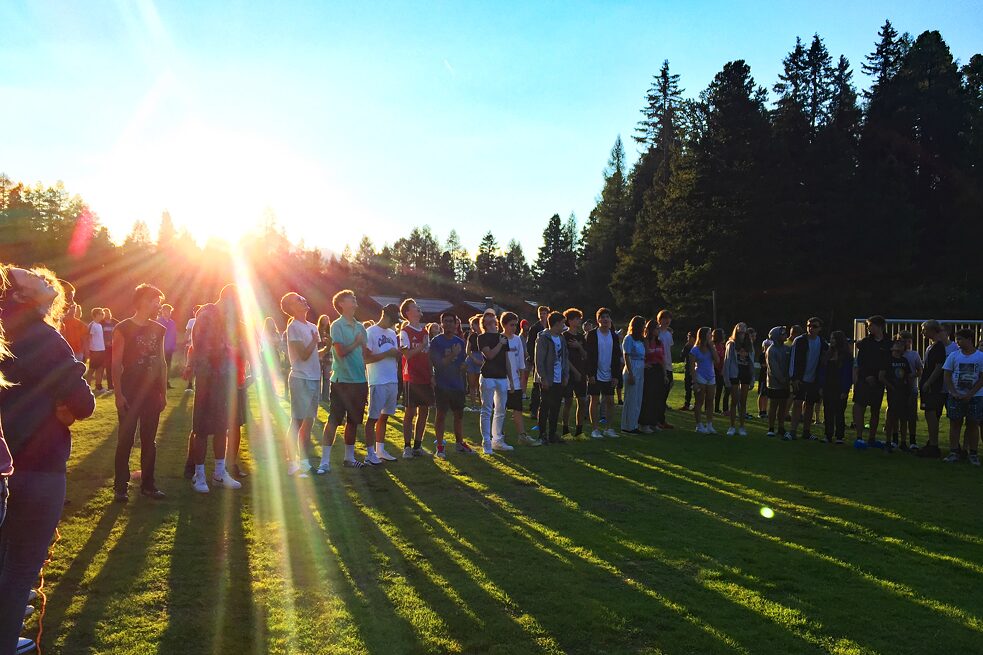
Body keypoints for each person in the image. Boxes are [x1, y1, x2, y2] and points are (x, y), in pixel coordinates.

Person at [0, 265, 95, 654]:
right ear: (22, 297)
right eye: (31, 278)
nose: (43, 277)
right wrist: (67, 407)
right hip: (38, 467)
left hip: (8, 461)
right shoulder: (46, 337)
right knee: (21, 569)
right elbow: (85, 403)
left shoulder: (7, 335)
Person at [111, 284, 169, 502]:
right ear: (143, 300)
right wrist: (118, 394)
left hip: (152, 394)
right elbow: (116, 364)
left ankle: (148, 485)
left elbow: (162, 363)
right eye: (156, 301)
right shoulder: (122, 328)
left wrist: (163, 392)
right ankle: (120, 487)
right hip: (129, 392)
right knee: (125, 440)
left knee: (149, 440)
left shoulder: (160, 329)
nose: (159, 305)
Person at [188, 285, 244, 493]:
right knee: (201, 429)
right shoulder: (206, 314)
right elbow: (200, 346)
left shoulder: (229, 320)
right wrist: (226, 350)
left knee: (222, 427)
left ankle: (219, 474)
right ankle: (198, 474)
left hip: (224, 379)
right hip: (207, 379)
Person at [321, 290, 370, 472]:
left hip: (359, 380)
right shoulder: (336, 325)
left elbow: (365, 352)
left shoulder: (360, 326)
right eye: (351, 298)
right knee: (334, 419)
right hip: (342, 381)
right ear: (341, 304)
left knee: (353, 421)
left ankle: (349, 459)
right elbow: (340, 352)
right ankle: (325, 461)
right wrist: (357, 343)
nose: (355, 300)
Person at [281, 292, 324, 476]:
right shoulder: (293, 327)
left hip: (314, 378)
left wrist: (326, 347)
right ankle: (292, 464)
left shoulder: (312, 326)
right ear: (291, 307)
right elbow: (304, 355)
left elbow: (315, 355)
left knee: (309, 422)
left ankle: (305, 463)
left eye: (302, 297)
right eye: (298, 299)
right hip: (300, 378)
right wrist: (315, 341)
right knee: (297, 421)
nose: (304, 300)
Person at [430, 312, 476, 458]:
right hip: (443, 384)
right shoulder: (437, 341)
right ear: (441, 323)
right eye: (446, 321)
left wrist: (463, 366)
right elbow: (439, 364)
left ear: (456, 324)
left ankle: (459, 443)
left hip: (457, 384)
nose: (449, 324)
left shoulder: (460, 342)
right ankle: (440, 445)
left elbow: (461, 362)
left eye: (452, 321)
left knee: (459, 415)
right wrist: (452, 354)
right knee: (441, 415)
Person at [364, 304, 401, 463]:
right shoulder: (370, 332)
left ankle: (380, 450)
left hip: (391, 379)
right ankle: (370, 452)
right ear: (384, 315)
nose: (393, 323)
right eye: (392, 319)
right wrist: (387, 353)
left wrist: (398, 354)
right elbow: (366, 359)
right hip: (377, 380)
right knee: (373, 418)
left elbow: (395, 355)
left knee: (384, 417)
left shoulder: (393, 333)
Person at [941, 328, 983, 465]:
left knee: (973, 424)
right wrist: (953, 392)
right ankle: (954, 452)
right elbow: (947, 374)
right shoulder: (954, 356)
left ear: (969, 339)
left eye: (960, 339)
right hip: (956, 396)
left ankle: (973, 453)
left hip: (975, 396)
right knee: (955, 423)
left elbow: (982, 378)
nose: (957, 342)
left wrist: (970, 394)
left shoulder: (980, 357)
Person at [398, 299, 433, 458]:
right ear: (407, 313)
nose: (418, 309)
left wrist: (432, 375)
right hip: (411, 377)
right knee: (410, 412)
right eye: (414, 307)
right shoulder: (405, 331)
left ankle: (418, 445)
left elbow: (429, 355)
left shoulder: (425, 331)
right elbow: (407, 355)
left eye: (418, 307)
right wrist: (421, 346)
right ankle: (407, 446)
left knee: (424, 411)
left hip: (425, 376)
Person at [477, 309, 514, 454]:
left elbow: (506, 360)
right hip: (488, 377)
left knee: (500, 410)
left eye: (493, 317)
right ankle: (486, 442)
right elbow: (490, 355)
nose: (491, 319)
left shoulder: (502, 337)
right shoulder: (482, 337)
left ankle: (497, 440)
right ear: (484, 322)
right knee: (487, 410)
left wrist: (511, 379)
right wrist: (500, 343)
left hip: (502, 377)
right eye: (487, 317)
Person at [853, 315, 891, 447]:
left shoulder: (888, 343)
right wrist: (866, 376)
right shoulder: (865, 342)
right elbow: (860, 361)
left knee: (875, 409)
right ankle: (859, 436)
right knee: (859, 406)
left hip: (879, 381)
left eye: (870, 325)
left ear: (879, 326)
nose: (868, 328)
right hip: (865, 379)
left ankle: (872, 438)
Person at [586, 308, 623, 439]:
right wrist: (590, 374)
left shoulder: (614, 335)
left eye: (607, 317)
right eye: (603, 317)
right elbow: (588, 356)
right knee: (594, 400)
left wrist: (616, 376)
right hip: (595, 373)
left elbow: (616, 356)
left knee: (610, 402)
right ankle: (595, 430)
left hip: (609, 374)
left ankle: (608, 428)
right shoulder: (591, 335)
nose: (605, 319)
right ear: (598, 320)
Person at [502, 312, 537, 446]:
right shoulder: (500, 339)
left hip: (515, 382)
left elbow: (521, 362)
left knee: (518, 409)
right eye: (511, 325)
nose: (514, 327)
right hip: (502, 382)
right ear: (504, 325)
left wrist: (522, 383)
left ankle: (522, 436)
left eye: (516, 325)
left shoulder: (517, 339)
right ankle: (499, 435)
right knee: (501, 411)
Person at [788, 318, 827, 441]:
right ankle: (792, 431)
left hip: (813, 379)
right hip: (800, 378)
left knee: (810, 405)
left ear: (820, 328)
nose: (811, 328)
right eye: (809, 325)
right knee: (797, 403)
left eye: (814, 326)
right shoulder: (799, 341)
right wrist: (793, 378)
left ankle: (806, 431)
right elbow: (792, 360)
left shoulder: (822, 342)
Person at [535, 311, 570, 444]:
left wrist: (565, 375)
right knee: (545, 407)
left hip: (558, 378)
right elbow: (539, 359)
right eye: (562, 323)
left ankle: (552, 433)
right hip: (547, 379)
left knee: (555, 407)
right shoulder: (544, 338)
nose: (564, 326)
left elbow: (565, 358)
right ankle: (542, 434)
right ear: (556, 324)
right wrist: (543, 378)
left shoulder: (561, 338)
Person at [918, 320, 947, 458]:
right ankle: (931, 443)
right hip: (927, 386)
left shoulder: (939, 347)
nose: (922, 332)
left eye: (924, 329)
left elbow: (939, 366)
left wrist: (929, 382)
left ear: (932, 330)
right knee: (928, 414)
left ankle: (934, 446)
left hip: (933, 388)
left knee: (931, 414)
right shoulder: (931, 346)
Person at [819, 330, 853, 444]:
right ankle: (828, 435)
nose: (832, 340)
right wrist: (821, 386)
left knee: (839, 412)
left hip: (839, 387)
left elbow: (847, 374)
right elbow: (822, 372)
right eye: (831, 338)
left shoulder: (846, 357)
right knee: (828, 411)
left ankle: (839, 436)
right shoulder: (827, 354)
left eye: (834, 338)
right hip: (828, 386)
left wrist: (845, 389)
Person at [723, 322, 754, 436]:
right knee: (734, 400)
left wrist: (752, 378)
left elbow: (751, 361)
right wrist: (726, 379)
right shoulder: (731, 344)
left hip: (745, 373)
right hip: (734, 373)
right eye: (739, 331)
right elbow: (727, 362)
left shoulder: (749, 344)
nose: (741, 333)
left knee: (743, 401)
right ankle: (732, 426)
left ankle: (742, 426)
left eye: (743, 331)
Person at [561, 308, 589, 437]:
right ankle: (565, 430)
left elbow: (585, 355)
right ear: (570, 321)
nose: (579, 321)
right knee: (568, 402)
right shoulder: (564, 336)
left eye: (579, 318)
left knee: (582, 401)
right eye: (577, 319)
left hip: (582, 373)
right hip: (569, 373)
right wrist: (574, 371)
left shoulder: (581, 337)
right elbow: (564, 357)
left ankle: (579, 430)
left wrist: (579, 346)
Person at [639, 319, 668, 433]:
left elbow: (663, 359)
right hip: (649, 371)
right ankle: (644, 423)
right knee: (648, 398)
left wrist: (665, 374)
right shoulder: (644, 341)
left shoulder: (660, 342)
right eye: (656, 328)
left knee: (657, 398)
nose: (658, 330)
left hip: (658, 370)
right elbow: (643, 355)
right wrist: (644, 364)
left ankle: (654, 422)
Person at [884, 340, 913, 451]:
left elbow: (908, 375)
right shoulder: (888, 360)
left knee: (904, 417)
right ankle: (888, 441)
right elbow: (882, 376)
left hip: (904, 391)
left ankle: (903, 442)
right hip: (893, 392)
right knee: (891, 417)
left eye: (901, 345)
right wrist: (890, 386)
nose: (899, 347)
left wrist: (909, 389)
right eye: (897, 344)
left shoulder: (904, 360)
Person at [690, 327, 718, 434]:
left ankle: (709, 425)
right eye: (709, 333)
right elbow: (691, 367)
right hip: (700, 377)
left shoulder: (711, 348)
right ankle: (699, 425)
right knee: (699, 402)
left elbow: (717, 360)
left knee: (710, 401)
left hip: (711, 377)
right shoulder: (695, 349)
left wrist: (712, 347)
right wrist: (694, 382)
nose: (711, 335)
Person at [765, 327, 792, 438]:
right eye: (783, 334)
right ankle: (771, 428)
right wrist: (782, 379)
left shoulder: (787, 349)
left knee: (783, 406)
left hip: (785, 383)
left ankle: (781, 427)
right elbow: (773, 368)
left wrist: (788, 379)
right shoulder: (771, 350)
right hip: (774, 383)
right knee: (774, 405)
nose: (785, 335)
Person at [898, 330, 923, 449]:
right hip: (898, 389)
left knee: (911, 415)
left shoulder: (914, 354)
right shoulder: (896, 354)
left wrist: (913, 375)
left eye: (908, 341)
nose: (906, 343)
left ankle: (912, 440)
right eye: (903, 341)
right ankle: (898, 439)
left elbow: (920, 370)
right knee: (899, 415)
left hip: (911, 387)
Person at [526, 305, 550, 420]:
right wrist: (532, 357)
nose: (542, 315)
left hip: (549, 361)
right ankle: (534, 409)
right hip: (538, 359)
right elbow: (530, 344)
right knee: (536, 385)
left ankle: (546, 409)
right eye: (541, 313)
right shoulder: (535, 328)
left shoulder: (551, 327)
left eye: (544, 313)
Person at [657, 310, 675, 411]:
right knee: (661, 385)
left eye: (668, 318)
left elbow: (669, 349)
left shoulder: (669, 333)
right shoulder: (657, 332)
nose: (667, 320)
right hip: (659, 363)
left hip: (668, 363)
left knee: (670, 383)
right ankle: (660, 404)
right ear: (660, 320)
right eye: (664, 318)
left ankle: (663, 402)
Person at [86, 307, 107, 393]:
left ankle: (98, 387)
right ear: (95, 315)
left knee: (100, 368)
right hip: (94, 351)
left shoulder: (100, 325)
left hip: (101, 350)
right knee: (92, 369)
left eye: (102, 314)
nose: (102, 315)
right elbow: (88, 338)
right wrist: (88, 350)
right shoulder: (92, 325)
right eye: (100, 313)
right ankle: (87, 386)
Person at [465, 315, 483, 411]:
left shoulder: (484, 335)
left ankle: (482, 405)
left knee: (481, 385)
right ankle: (473, 405)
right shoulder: (472, 336)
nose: (472, 327)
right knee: (472, 384)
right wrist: (474, 359)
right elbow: (467, 350)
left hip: (482, 358)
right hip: (472, 359)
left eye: (474, 324)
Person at [158, 304, 178, 388]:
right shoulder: (159, 321)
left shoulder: (172, 323)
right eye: (165, 310)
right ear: (162, 311)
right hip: (161, 348)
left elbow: (174, 335)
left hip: (170, 348)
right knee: (160, 365)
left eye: (169, 311)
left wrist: (173, 346)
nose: (167, 313)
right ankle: (160, 382)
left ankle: (166, 382)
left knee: (168, 365)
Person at [184, 304, 202, 393]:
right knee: (190, 365)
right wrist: (185, 341)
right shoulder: (191, 321)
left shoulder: (204, 321)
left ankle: (199, 383)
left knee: (200, 366)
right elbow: (187, 332)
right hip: (191, 346)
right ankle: (190, 383)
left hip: (201, 348)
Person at [316, 314, 333, 404]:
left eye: (327, 319)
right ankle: (318, 397)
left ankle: (325, 397)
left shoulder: (330, 332)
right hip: (319, 355)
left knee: (327, 378)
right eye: (323, 319)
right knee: (318, 377)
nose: (325, 321)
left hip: (328, 356)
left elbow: (333, 343)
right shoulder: (317, 330)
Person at [711, 328, 727, 414]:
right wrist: (718, 369)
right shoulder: (715, 346)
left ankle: (717, 408)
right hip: (716, 370)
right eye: (723, 334)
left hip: (721, 370)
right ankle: (710, 407)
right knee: (712, 389)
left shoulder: (722, 346)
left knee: (720, 390)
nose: (724, 335)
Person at [756, 329, 771, 418]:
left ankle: (764, 410)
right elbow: (764, 365)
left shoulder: (770, 354)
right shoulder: (762, 355)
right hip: (763, 376)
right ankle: (760, 411)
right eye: (766, 346)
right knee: (762, 394)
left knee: (766, 395)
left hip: (769, 376)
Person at [679, 331, 696, 411]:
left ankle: (696, 405)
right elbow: (682, 356)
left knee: (696, 387)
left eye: (689, 337)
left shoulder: (697, 347)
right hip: (688, 368)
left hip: (695, 370)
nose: (688, 339)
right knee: (688, 387)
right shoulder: (687, 347)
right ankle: (687, 404)